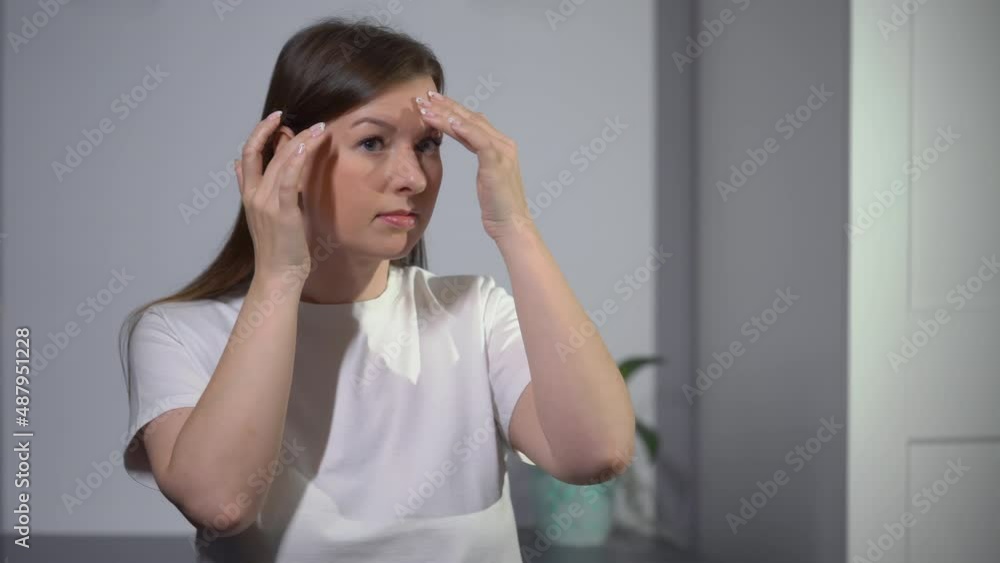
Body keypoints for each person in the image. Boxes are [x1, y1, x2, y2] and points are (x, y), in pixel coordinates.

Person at [118, 16, 636, 563]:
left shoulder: (474, 312)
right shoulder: (178, 333)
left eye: (428, 145)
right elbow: (221, 504)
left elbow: (595, 454)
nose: (412, 177)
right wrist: (279, 273)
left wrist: (516, 228)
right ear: (290, 155)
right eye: (372, 142)